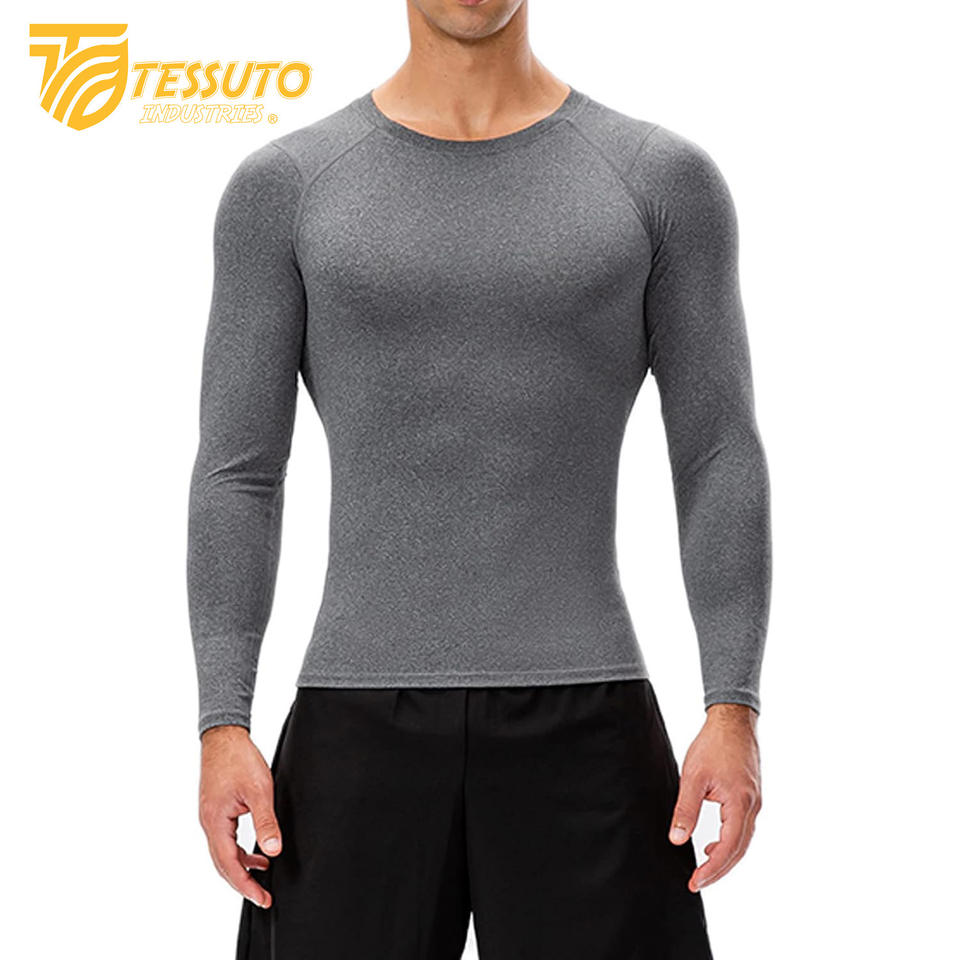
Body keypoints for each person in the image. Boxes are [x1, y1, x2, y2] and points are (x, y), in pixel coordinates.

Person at [187, 1, 771, 957]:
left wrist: (732, 706)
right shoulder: (285, 189)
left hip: (588, 717)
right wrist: (222, 723)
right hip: (354, 722)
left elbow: (716, 451)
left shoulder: (659, 181)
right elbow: (239, 471)